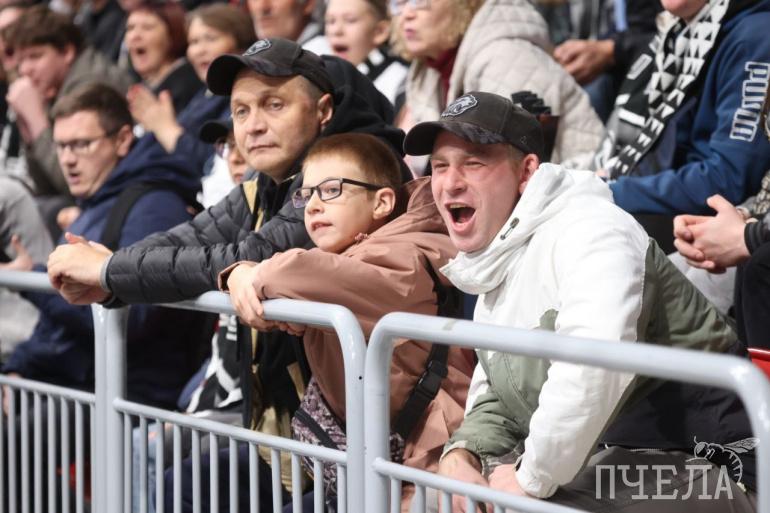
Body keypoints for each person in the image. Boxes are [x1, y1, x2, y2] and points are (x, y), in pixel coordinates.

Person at [46, 37, 406, 511]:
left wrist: (110, 270)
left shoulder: (348, 175)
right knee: (187, 480)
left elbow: (255, 253)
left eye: (273, 105)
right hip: (300, 432)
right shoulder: (264, 182)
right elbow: (190, 238)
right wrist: (109, 274)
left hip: (369, 445)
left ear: (323, 110)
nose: (252, 125)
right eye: (240, 111)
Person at [403, 91, 756, 511]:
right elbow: (499, 393)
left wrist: (531, 477)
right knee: (436, 500)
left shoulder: (593, 229)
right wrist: (464, 453)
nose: (450, 183)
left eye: (474, 163)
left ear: (526, 172)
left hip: (714, 464)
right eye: (440, 166)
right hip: (616, 459)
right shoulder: (497, 258)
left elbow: (593, 368)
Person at [223, 132, 473, 511]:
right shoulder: (358, 257)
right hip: (393, 469)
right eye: (306, 194)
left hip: (430, 468)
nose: (313, 206)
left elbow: (291, 272)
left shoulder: (400, 258)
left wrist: (245, 272)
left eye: (331, 190)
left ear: (382, 202)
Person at [5, 82, 210, 410]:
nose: (67, 159)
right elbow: (55, 333)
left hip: (121, 402)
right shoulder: (97, 202)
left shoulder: (155, 206)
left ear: (123, 139)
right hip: (71, 387)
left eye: (81, 144)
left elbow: (135, 314)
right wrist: (17, 369)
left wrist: (36, 279)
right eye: (61, 146)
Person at [594, 0, 770, 249]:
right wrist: (603, 182)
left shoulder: (754, 37)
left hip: (724, 227)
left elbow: (729, 179)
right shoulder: (677, 32)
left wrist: (616, 191)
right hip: (673, 203)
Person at [391, 0, 603, 172]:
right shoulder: (427, 69)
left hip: (574, 192)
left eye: (419, 1)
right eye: (398, 2)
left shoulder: (508, 56)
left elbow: (520, 170)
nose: (406, 14)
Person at [4, 5, 133, 230]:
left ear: (67, 52)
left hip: (120, 202)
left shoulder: (92, 84)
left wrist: (36, 120)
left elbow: (72, 181)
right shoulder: (53, 87)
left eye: (35, 56)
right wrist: (28, 129)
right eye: (21, 60)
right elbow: (43, 186)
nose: (25, 70)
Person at [674, 188, 770, 350]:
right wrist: (741, 216)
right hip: (757, 218)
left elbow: (728, 178)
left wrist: (753, 234)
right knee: (666, 267)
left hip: (760, 238)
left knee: (681, 295)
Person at [321, 0, 408, 109]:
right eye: (330, 21)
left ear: (380, 31)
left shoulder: (399, 81)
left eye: (350, 20)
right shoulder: (324, 77)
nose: (336, 31)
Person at [124, 1, 203, 119]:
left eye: (147, 27)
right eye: (130, 28)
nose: (134, 36)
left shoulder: (188, 84)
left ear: (172, 35)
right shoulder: (142, 86)